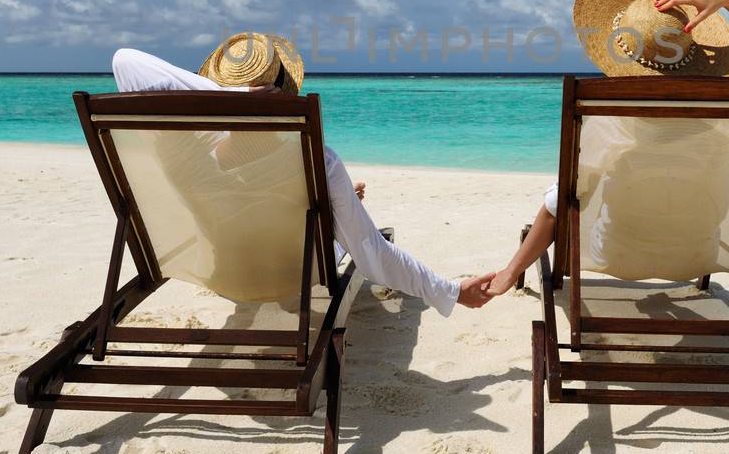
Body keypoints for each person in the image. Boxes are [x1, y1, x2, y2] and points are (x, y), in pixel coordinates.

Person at [111, 34, 496, 315]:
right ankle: (334, 209)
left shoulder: (183, 152)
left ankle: (332, 208)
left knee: (324, 206)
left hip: (227, 271)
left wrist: (230, 104)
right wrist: (452, 290)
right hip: (293, 273)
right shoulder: (317, 161)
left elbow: (124, 60)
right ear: (283, 93)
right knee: (345, 228)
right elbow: (371, 253)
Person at [484, 0, 729, 296]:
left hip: (615, 255)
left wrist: (510, 272)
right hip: (698, 255)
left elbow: (558, 204)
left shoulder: (610, 123)